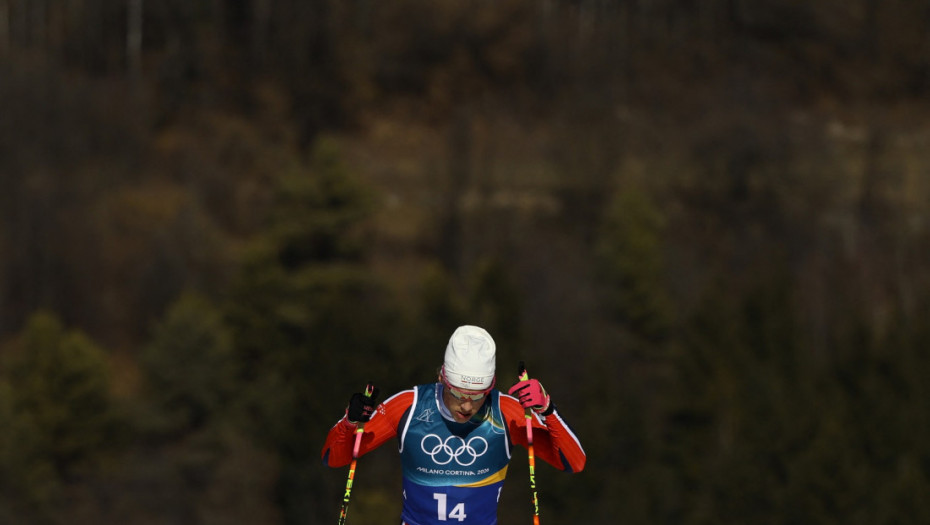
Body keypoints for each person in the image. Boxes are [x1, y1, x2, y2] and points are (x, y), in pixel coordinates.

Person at [322, 325, 586, 525]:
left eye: (478, 396)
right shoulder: (408, 406)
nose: (467, 406)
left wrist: (547, 410)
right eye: (458, 394)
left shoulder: (505, 411)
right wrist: (350, 421)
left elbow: (573, 463)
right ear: (441, 378)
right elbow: (333, 457)